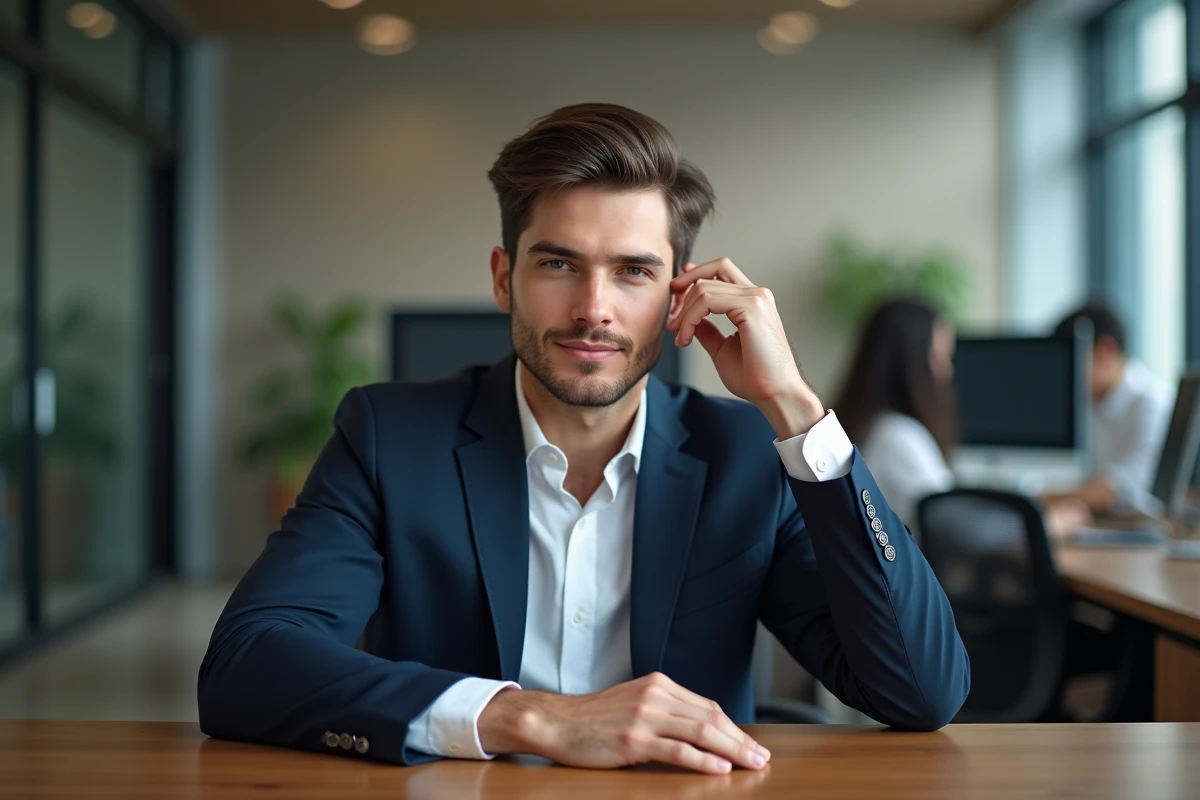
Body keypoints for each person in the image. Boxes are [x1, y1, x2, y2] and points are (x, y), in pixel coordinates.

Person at [198, 104, 969, 774]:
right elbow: (245, 663)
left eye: (633, 271)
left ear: (682, 295)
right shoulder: (391, 437)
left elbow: (921, 690)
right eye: (559, 263)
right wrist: (527, 717)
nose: (594, 307)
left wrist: (797, 410)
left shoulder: (745, 458)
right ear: (505, 278)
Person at [1040, 303, 1173, 525]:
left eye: (1068, 361)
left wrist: (1038, 498)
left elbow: (1123, 489)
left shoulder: (1155, 404)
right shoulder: (1091, 406)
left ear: (1105, 351)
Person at [832, 299, 957, 530]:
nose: (948, 370)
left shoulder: (869, 428)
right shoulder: (898, 436)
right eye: (941, 357)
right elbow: (953, 524)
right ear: (914, 361)